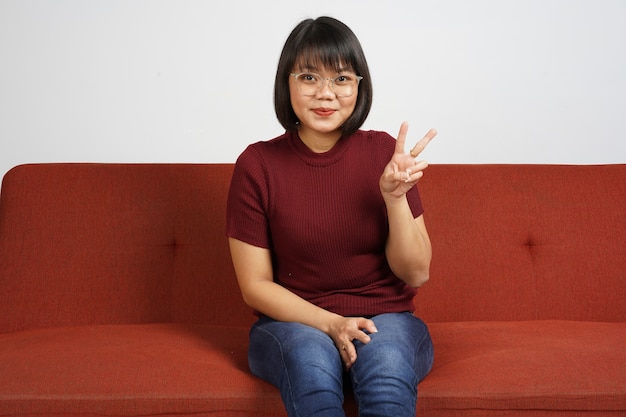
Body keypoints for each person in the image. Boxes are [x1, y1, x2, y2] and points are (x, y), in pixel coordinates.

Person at [226, 16, 437, 417]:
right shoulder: (258, 165)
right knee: (311, 374)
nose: (326, 94)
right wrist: (331, 324)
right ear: (286, 84)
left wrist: (395, 199)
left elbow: (416, 274)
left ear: (359, 85)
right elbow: (255, 286)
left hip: (385, 319)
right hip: (294, 323)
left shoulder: (384, 155)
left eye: (341, 79)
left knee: (388, 377)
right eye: (308, 77)